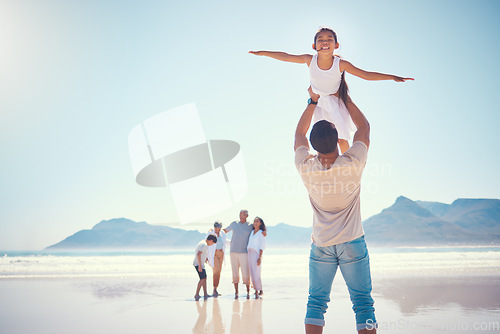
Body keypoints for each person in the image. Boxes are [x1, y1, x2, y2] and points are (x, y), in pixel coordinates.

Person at [250, 26, 413, 153]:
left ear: (336, 45)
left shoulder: (340, 64)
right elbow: (286, 56)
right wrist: (262, 53)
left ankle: (349, 167)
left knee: (342, 139)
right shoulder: (310, 60)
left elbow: (365, 74)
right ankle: (327, 166)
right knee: (323, 140)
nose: (325, 42)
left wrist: (392, 77)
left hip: (335, 102)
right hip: (319, 105)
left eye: (329, 39)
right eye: (320, 39)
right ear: (314, 46)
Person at [294, 87, 377, 333]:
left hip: (322, 244)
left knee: (316, 303)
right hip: (352, 241)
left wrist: (313, 101)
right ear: (337, 142)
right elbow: (364, 129)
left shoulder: (305, 166)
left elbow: (298, 133)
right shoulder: (353, 162)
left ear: (313, 145)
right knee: (363, 304)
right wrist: (345, 99)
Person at [223, 210, 253, 298]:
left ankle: (248, 291)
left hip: (244, 252)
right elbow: (224, 230)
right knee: (235, 272)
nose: (241, 216)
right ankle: (236, 292)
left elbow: (258, 231)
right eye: (240, 214)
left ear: (247, 215)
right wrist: (214, 230)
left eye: (243, 214)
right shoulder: (234, 224)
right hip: (233, 252)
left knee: (245, 272)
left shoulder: (250, 225)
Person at [193, 234, 217, 301]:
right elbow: (198, 254)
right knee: (202, 279)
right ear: (211, 241)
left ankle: (205, 294)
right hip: (198, 264)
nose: (211, 245)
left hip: (200, 264)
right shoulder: (204, 245)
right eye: (212, 243)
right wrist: (200, 266)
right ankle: (196, 294)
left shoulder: (203, 242)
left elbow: (202, 252)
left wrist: (205, 258)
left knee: (204, 278)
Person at [247, 216, 266, 297]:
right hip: (249, 253)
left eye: (257, 221)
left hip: (256, 254)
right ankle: (256, 289)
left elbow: (262, 246)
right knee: (251, 272)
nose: (255, 222)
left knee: (256, 272)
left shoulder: (261, 233)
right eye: (254, 221)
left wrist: (260, 258)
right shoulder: (252, 232)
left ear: (260, 223)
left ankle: (260, 290)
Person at [206, 221, 226, 297]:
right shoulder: (210, 233)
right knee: (216, 271)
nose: (217, 229)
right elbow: (206, 243)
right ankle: (214, 289)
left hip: (221, 254)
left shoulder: (222, 234)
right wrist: (206, 256)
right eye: (216, 227)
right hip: (213, 254)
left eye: (218, 228)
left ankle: (215, 289)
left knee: (219, 272)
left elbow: (224, 242)